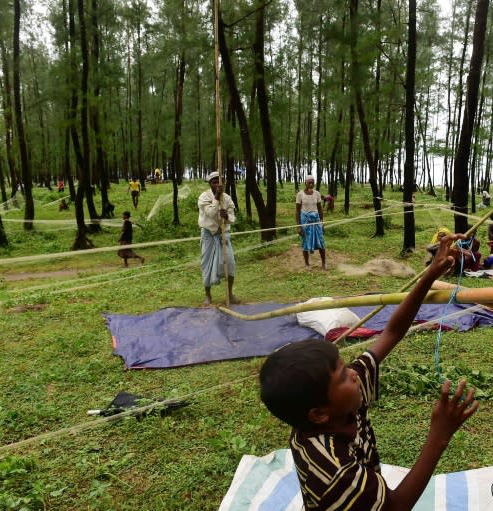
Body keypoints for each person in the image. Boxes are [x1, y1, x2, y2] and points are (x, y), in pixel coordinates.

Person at [259, 234, 478, 511]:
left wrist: (430, 274)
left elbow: (392, 332)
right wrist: (440, 434)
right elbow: (396, 507)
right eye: (341, 376)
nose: (352, 373)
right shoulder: (333, 471)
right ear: (319, 414)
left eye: (344, 366)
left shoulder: (338, 400)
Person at [198, 171, 238, 305]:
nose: (217, 185)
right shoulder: (204, 197)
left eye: (220, 182)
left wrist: (226, 216)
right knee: (206, 265)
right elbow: (209, 212)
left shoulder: (227, 198)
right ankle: (208, 296)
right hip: (209, 235)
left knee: (230, 264)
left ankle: (230, 294)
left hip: (223, 235)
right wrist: (216, 197)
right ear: (210, 184)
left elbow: (233, 218)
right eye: (214, 182)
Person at [296, 175, 326, 269]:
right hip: (305, 221)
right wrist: (299, 226)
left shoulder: (317, 193)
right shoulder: (300, 194)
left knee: (321, 241)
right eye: (309, 182)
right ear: (305, 183)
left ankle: (324, 264)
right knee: (305, 242)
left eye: (313, 182)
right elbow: (297, 211)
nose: (311, 184)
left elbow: (320, 209)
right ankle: (307, 264)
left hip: (316, 220)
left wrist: (322, 222)